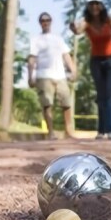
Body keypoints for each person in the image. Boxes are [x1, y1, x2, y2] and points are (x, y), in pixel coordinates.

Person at [70, 0, 111, 140]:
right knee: (101, 96)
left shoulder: (109, 20)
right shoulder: (86, 22)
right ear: (88, 6)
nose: (94, 7)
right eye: (91, 4)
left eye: (97, 4)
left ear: (101, 6)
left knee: (110, 94)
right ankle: (101, 130)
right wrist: (73, 28)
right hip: (96, 61)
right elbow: (78, 30)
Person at [28, 12, 77, 140]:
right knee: (47, 104)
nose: (46, 22)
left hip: (60, 75)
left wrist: (73, 70)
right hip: (43, 75)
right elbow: (32, 59)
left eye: (48, 20)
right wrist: (30, 76)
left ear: (51, 22)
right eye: (43, 20)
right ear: (40, 23)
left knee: (66, 103)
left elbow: (66, 55)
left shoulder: (58, 38)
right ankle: (51, 132)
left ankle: (68, 131)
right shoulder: (36, 40)